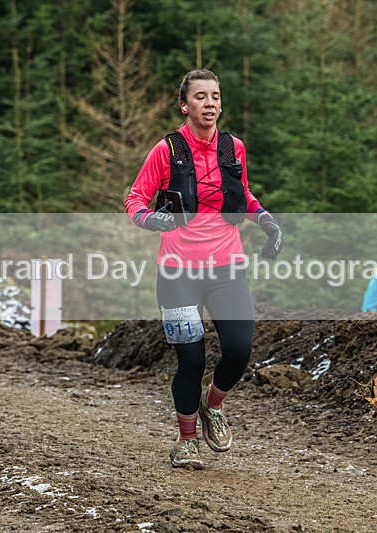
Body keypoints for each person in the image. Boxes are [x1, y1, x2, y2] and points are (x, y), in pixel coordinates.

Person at [125, 69, 282, 469]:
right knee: (191, 362)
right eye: (200, 96)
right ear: (185, 105)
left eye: (215, 96)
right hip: (177, 273)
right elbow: (135, 199)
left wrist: (266, 221)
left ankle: (213, 405)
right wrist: (151, 219)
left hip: (226, 267)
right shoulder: (166, 150)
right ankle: (187, 441)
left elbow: (242, 194)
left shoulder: (233, 148)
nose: (209, 103)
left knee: (240, 350)